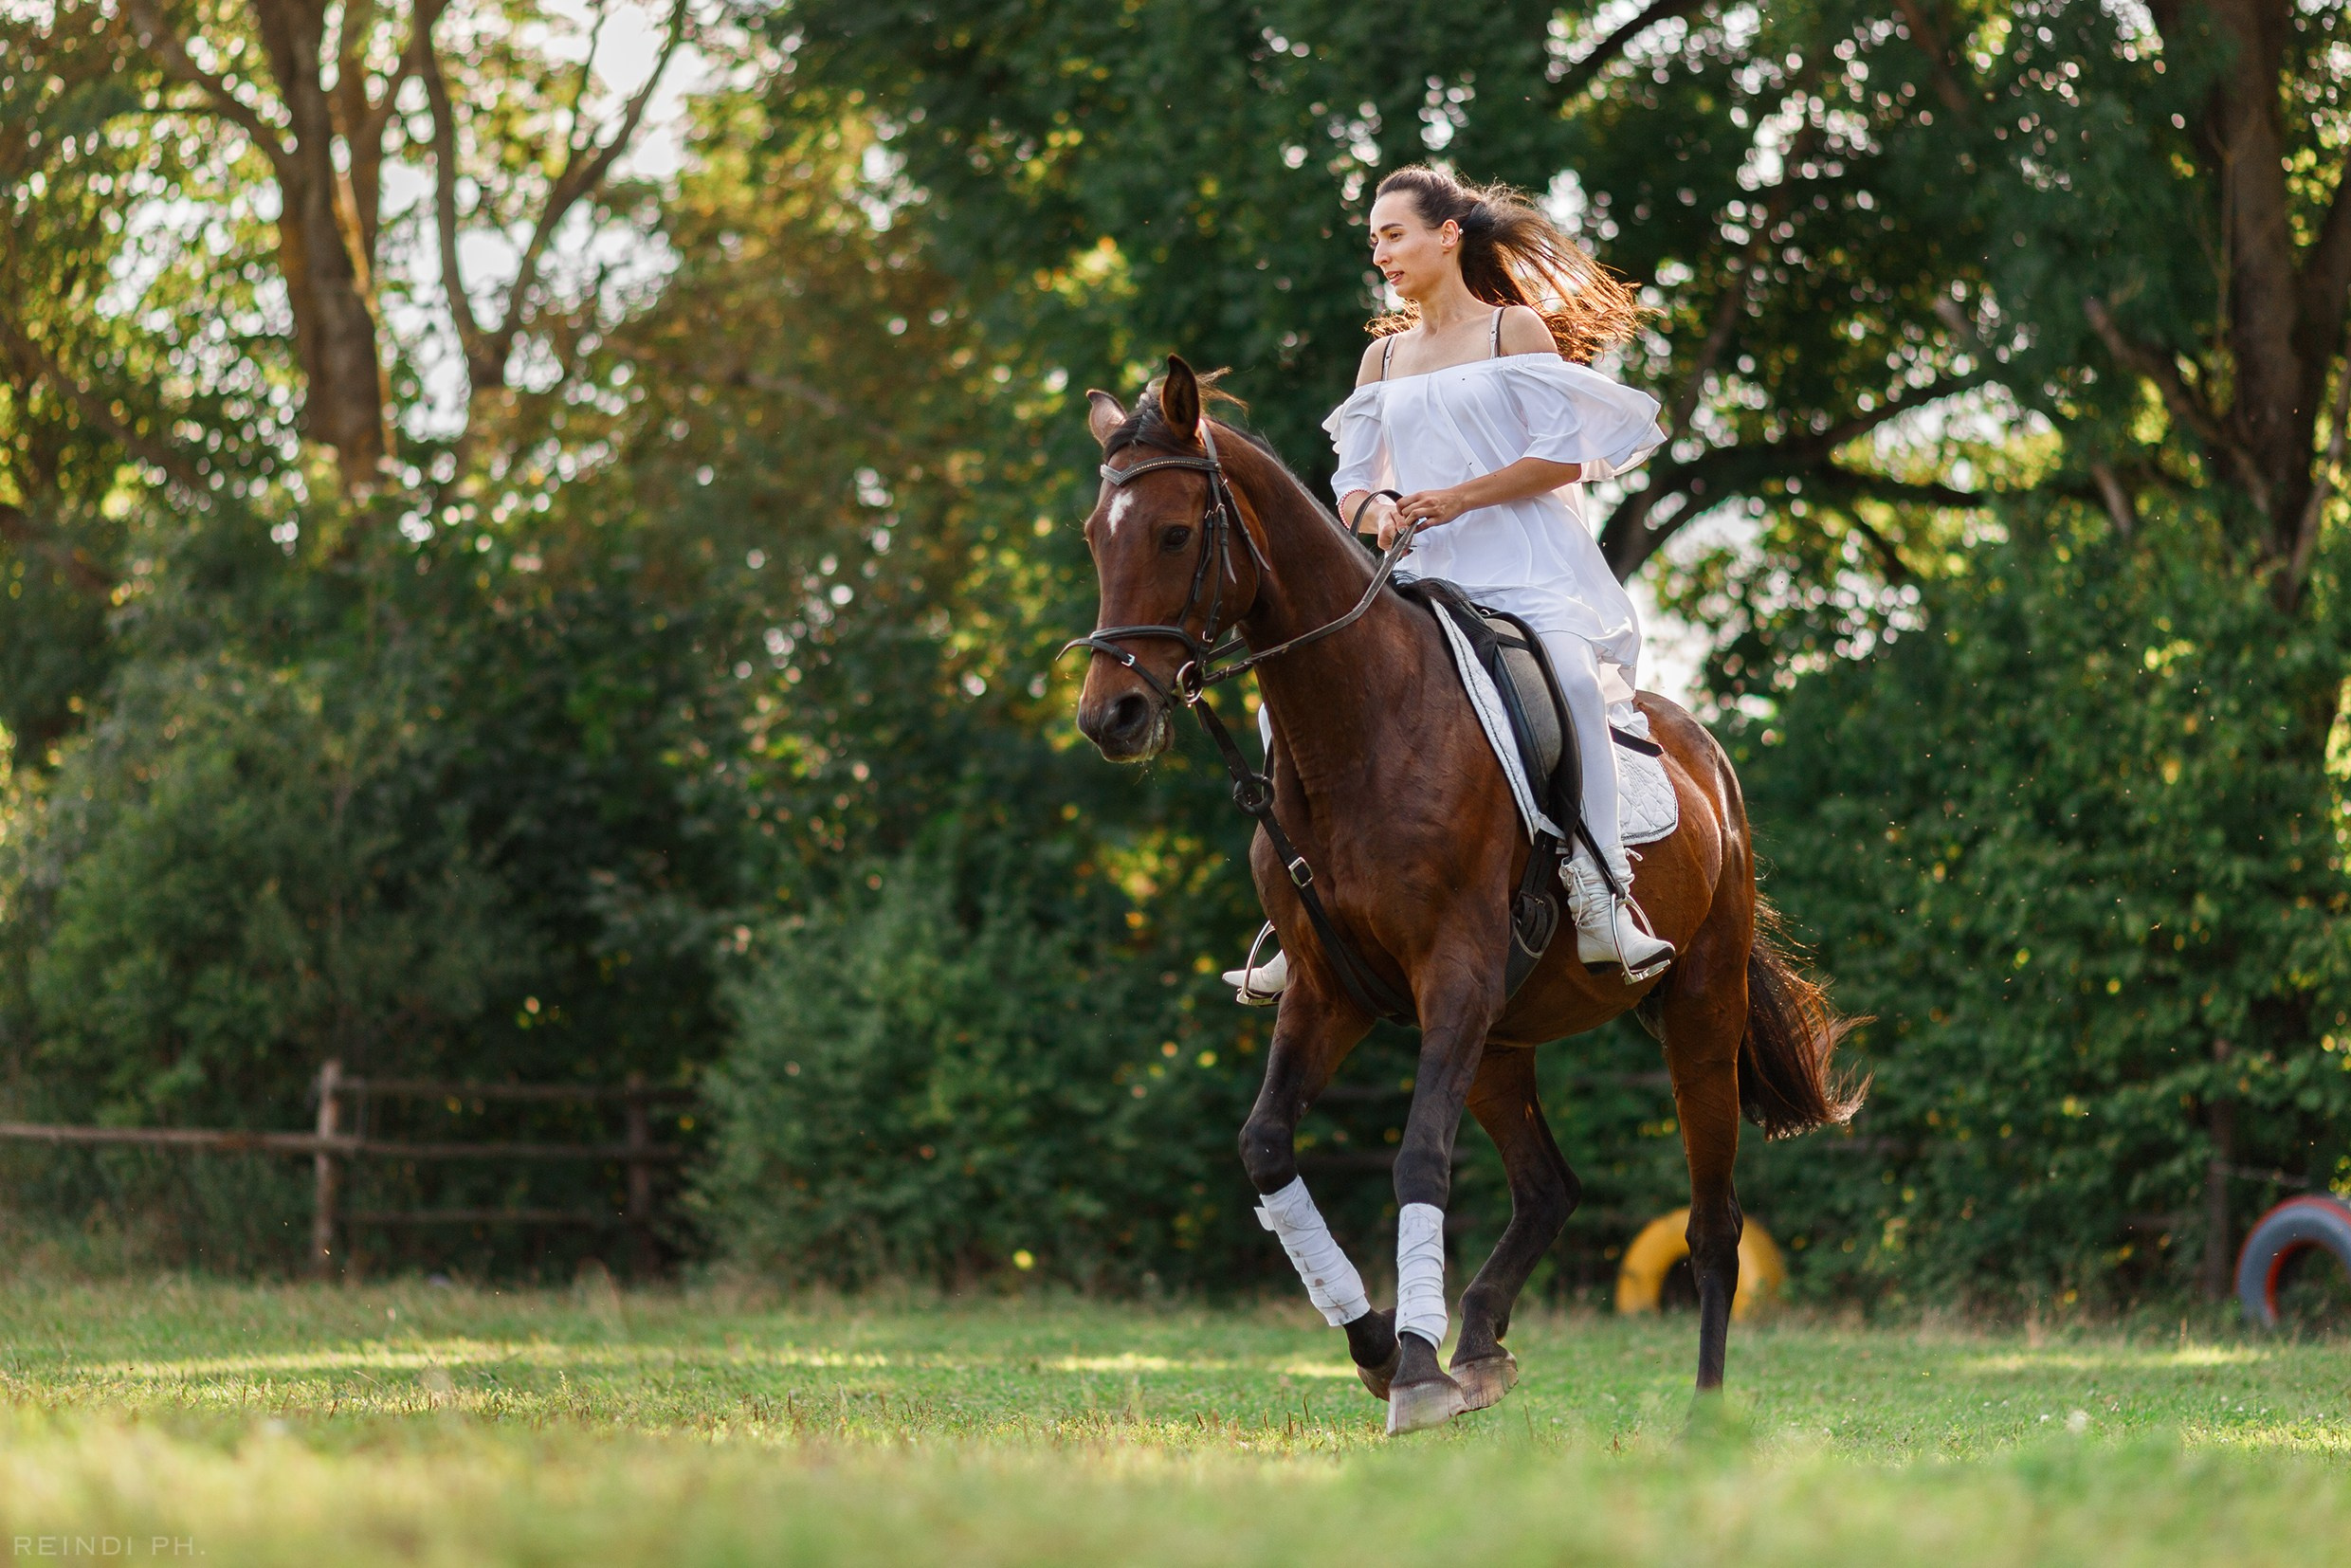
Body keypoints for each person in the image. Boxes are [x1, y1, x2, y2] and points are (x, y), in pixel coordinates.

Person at [1223, 164, 1670, 1001]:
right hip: (1421, 579)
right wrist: (1380, 510)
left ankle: (1603, 893)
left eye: (1394, 235)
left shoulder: (1515, 334)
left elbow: (1565, 458)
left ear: (1448, 235)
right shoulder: (1381, 357)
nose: (1381, 253)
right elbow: (1350, 486)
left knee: (1573, 682)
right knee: (1279, 705)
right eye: (1374, 241)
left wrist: (1460, 496)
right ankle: (1298, 913)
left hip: (1526, 570)